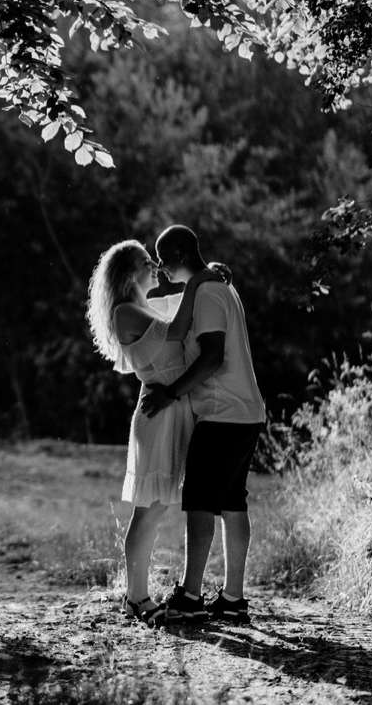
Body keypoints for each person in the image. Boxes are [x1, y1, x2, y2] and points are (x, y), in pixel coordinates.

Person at [86, 240, 224, 623]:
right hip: (157, 415)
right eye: (146, 262)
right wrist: (198, 281)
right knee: (148, 509)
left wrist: (205, 281)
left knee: (157, 506)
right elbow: (178, 330)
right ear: (129, 273)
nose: (154, 266)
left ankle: (138, 595)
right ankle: (135, 598)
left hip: (173, 409)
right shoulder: (125, 312)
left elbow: (181, 310)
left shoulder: (146, 306)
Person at [141, 225, 266, 625]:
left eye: (163, 259)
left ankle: (191, 597)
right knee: (231, 503)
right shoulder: (217, 287)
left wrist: (171, 393)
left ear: (179, 254)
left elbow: (212, 357)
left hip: (221, 412)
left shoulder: (209, 292)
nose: (161, 267)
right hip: (245, 411)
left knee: (199, 502)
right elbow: (163, 307)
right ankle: (232, 599)